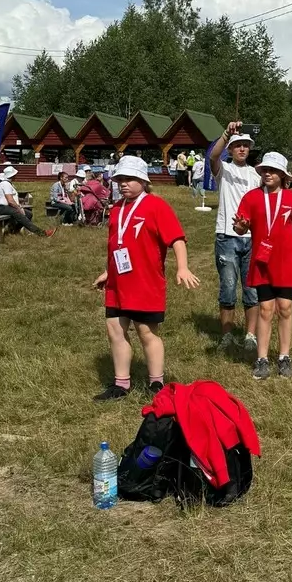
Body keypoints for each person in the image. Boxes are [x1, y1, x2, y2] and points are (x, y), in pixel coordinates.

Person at [93, 155, 200, 401]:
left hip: (145, 283)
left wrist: (182, 267)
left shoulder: (156, 206)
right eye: (120, 179)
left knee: (146, 331)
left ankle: (156, 383)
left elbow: (177, 239)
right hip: (118, 283)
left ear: (143, 181)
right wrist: (108, 272)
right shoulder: (117, 209)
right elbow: (116, 245)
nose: (123, 183)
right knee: (114, 329)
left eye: (130, 179)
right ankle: (121, 384)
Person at [233, 151, 292, 380]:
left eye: (273, 170)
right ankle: (262, 359)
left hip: (287, 260)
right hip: (263, 261)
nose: (268, 173)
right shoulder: (251, 197)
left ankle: (284, 357)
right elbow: (240, 227)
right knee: (265, 309)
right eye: (265, 170)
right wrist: (241, 226)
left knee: (285, 308)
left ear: (283, 175)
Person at [209, 124, 261, 354]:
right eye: (237, 145)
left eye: (245, 146)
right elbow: (213, 156)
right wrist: (226, 134)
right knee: (228, 288)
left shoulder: (256, 174)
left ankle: (251, 335)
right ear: (230, 149)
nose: (242, 149)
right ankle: (227, 335)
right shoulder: (224, 170)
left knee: (252, 290)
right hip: (227, 237)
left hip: (252, 238)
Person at [0, 168, 54, 236]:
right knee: (20, 214)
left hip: (7, 207)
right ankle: (42, 233)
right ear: (12, 175)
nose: (16, 176)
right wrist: (19, 208)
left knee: (28, 214)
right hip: (4, 207)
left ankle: (14, 231)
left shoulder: (6, 184)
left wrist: (20, 201)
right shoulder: (6, 184)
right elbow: (10, 201)